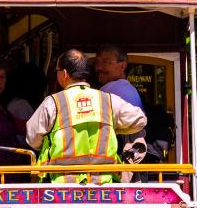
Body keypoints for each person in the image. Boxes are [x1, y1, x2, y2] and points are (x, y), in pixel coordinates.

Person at [26, 49, 147, 184]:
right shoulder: (108, 100)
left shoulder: (54, 102)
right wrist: (111, 128)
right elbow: (140, 120)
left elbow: (32, 138)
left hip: (63, 188)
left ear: (64, 74)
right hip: (103, 186)